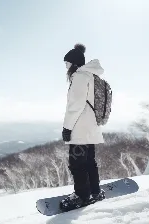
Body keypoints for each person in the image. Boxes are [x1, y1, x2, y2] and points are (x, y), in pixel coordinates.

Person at [60, 43, 106, 211]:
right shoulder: (91, 76)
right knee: (89, 163)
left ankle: (82, 196)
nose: (66, 67)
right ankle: (94, 191)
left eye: (67, 63)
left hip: (80, 129)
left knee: (77, 164)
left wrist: (67, 128)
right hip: (91, 128)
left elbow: (75, 105)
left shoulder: (79, 77)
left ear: (74, 63)